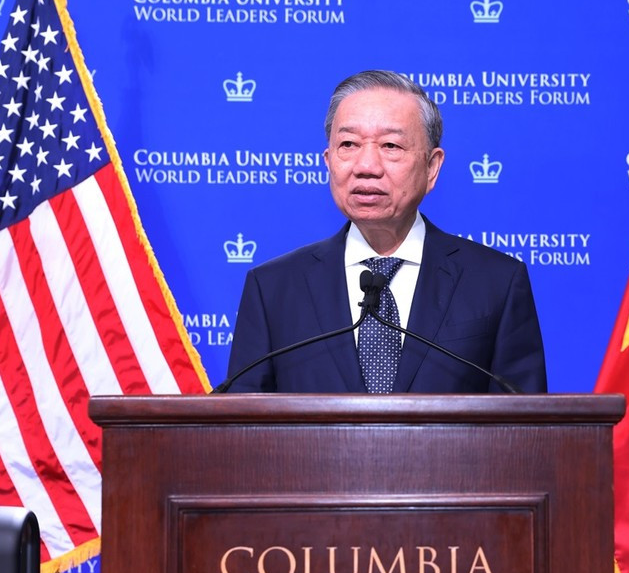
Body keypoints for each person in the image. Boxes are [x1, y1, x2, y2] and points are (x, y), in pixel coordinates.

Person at [224, 70, 546, 393]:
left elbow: (526, 431)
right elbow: (240, 429)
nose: (366, 166)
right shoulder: (273, 290)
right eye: (348, 144)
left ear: (432, 168)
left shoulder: (497, 284)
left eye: (390, 145)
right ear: (328, 161)